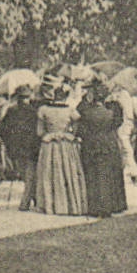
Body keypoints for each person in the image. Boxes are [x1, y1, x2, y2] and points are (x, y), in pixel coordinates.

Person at [34, 80, 87, 215]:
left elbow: (39, 132)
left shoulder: (44, 110)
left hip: (49, 144)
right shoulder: (70, 110)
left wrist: (50, 133)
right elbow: (76, 125)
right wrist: (69, 133)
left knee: (50, 173)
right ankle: (69, 204)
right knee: (68, 173)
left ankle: (50, 205)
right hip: (65, 143)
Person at [77, 83, 127, 218]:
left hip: (91, 144)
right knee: (109, 175)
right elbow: (118, 122)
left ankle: (96, 206)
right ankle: (112, 205)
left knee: (93, 176)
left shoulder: (86, 112)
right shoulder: (111, 112)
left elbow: (80, 130)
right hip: (109, 143)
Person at [0, 85, 41, 210]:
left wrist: (9, 143)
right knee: (29, 176)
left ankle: (30, 201)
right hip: (30, 148)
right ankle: (28, 202)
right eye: (24, 97)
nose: (24, 100)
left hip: (17, 149)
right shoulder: (33, 112)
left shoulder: (12, 111)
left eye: (25, 97)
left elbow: (2, 130)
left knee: (26, 176)